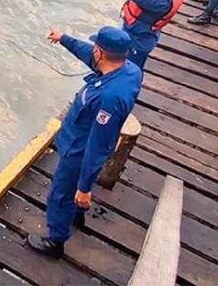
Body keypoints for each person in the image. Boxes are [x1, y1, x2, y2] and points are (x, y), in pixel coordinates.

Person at [26, 26, 142, 258]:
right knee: (73, 191)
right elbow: (87, 53)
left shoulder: (109, 98)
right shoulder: (129, 70)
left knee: (61, 193)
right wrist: (64, 39)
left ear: (101, 52)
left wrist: (85, 187)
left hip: (79, 150)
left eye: (96, 48)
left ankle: (56, 241)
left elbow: (97, 146)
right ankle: (77, 213)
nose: (93, 53)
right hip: (80, 137)